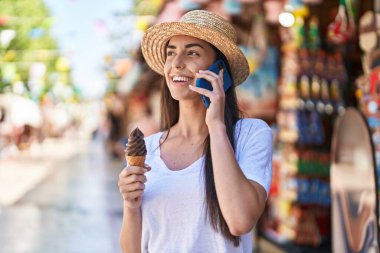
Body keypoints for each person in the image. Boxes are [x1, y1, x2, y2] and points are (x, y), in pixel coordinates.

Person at [118, 10, 273, 253]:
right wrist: (130, 204)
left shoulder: (250, 135)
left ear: (220, 70)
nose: (177, 63)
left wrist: (217, 126)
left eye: (192, 52)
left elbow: (240, 221)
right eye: (171, 53)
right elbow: (132, 250)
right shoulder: (147, 149)